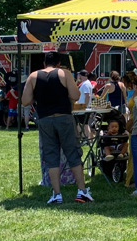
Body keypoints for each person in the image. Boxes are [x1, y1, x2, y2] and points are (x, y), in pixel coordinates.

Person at [22, 51, 94, 204]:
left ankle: (56, 194)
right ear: (59, 63)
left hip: (45, 120)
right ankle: (82, 192)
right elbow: (75, 95)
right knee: (72, 153)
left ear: (44, 63)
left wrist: (39, 95)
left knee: (51, 156)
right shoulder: (64, 73)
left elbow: (25, 101)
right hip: (64, 117)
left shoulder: (33, 76)